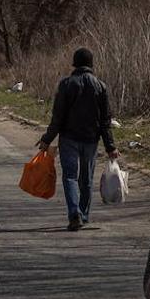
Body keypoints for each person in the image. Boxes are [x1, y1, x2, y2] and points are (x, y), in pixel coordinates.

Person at [37, 47, 118, 231]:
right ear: (91, 64)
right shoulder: (100, 86)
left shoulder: (66, 85)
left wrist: (46, 140)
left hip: (69, 139)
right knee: (86, 179)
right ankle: (84, 213)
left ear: (74, 63)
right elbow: (105, 121)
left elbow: (57, 117)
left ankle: (74, 213)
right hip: (91, 140)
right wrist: (110, 147)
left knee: (70, 177)